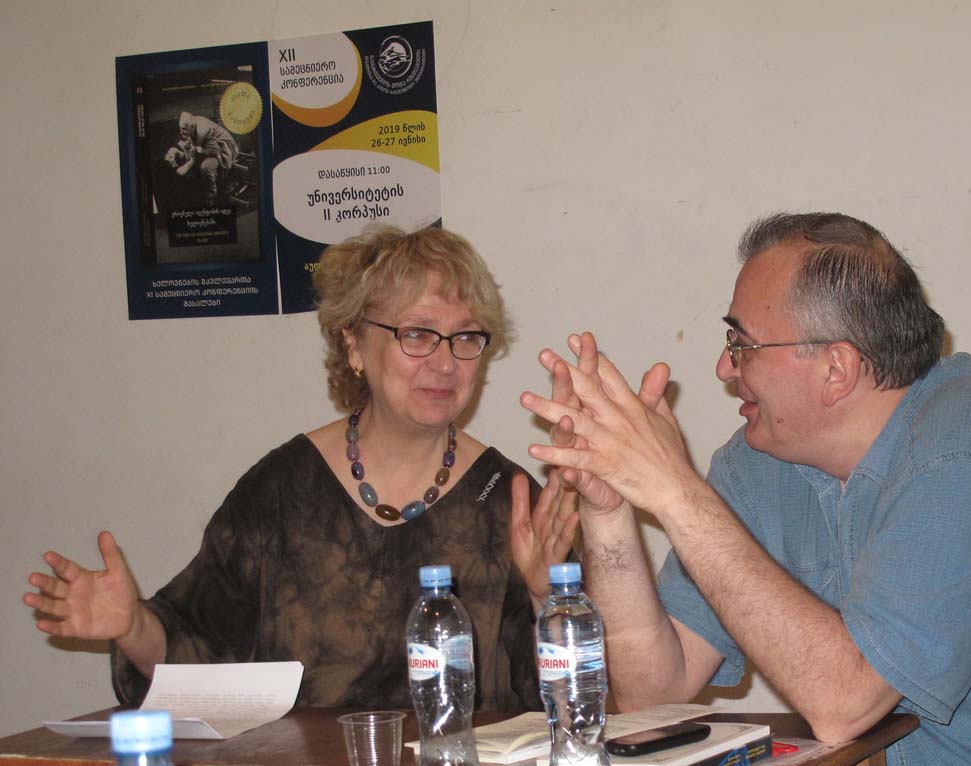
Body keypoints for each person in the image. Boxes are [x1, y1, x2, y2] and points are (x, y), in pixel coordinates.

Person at [515, 212, 971, 766]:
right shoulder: (759, 462)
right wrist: (608, 508)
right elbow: (651, 694)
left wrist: (677, 491)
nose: (724, 367)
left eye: (741, 343)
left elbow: (846, 703)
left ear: (836, 369)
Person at [24, 224, 573, 712]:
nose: (446, 362)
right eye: (417, 333)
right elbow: (200, 656)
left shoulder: (512, 502)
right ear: (353, 343)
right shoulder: (282, 491)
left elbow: (563, 706)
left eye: (466, 337)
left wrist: (549, 600)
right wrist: (134, 626)